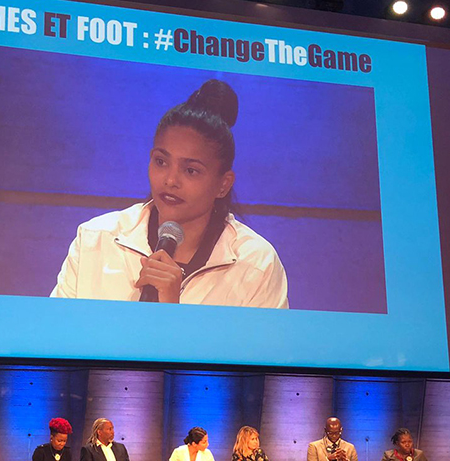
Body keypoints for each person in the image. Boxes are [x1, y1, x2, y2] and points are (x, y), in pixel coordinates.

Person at [51, 79, 288, 308]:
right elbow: (56, 332)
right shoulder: (95, 239)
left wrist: (173, 315)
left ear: (223, 185)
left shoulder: (256, 264)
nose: (170, 180)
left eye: (191, 170)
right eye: (161, 162)